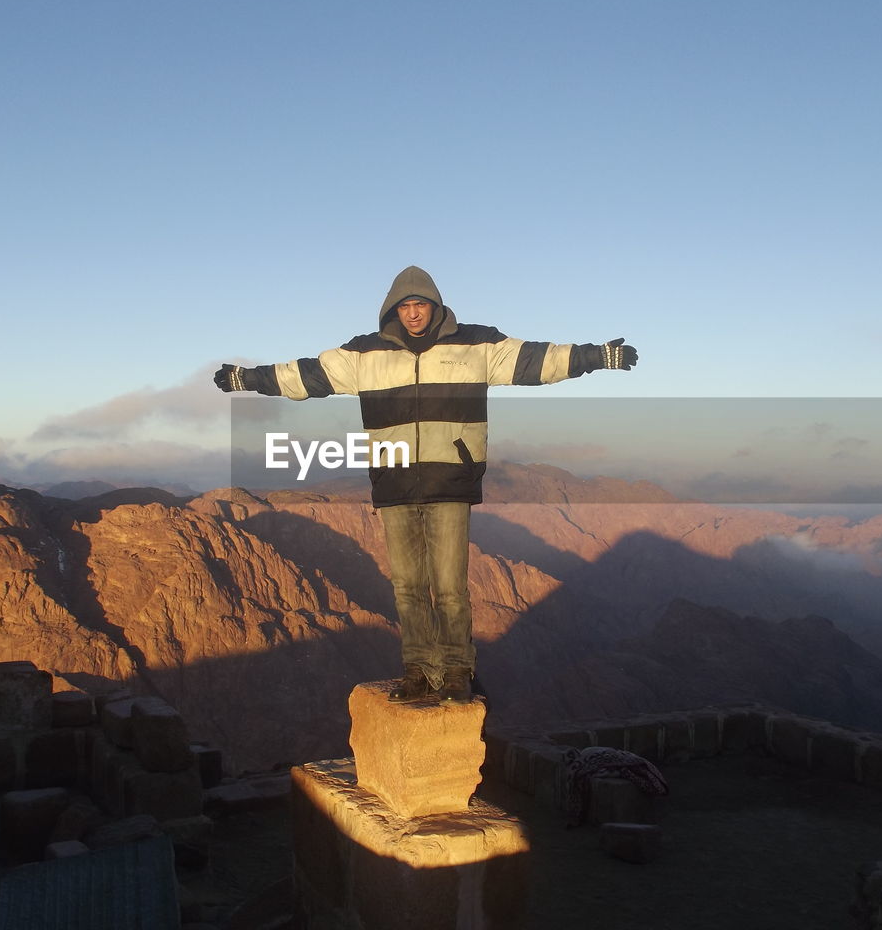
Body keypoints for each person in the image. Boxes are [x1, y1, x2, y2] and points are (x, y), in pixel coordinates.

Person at [214, 265, 636, 704]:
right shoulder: (364, 355)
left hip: (450, 479)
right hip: (394, 481)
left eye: (420, 304)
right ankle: (418, 671)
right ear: (392, 310)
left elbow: (536, 360)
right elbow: (302, 376)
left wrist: (594, 357)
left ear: (435, 307)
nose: (413, 313)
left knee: (450, 586)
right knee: (408, 586)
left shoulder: (476, 345)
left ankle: (456, 672)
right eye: (405, 305)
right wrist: (248, 379)